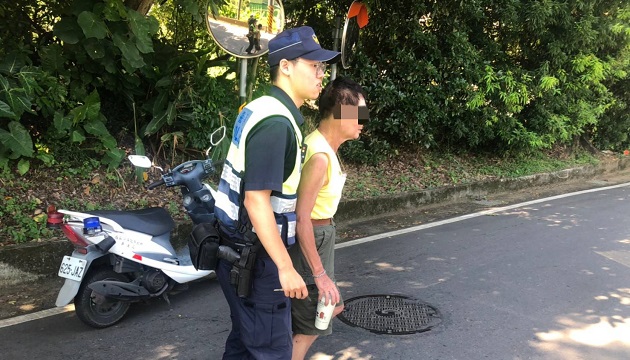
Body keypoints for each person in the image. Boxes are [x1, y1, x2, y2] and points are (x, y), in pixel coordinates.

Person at [213, 26, 340, 360]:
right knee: (271, 350)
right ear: (285, 66)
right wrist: (285, 267)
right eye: (313, 65)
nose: (320, 74)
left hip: (240, 251)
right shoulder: (276, 123)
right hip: (258, 260)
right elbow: (256, 200)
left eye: (322, 67)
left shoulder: (263, 107)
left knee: (244, 343)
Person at [289, 77, 369, 360]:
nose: (362, 121)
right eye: (358, 114)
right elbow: (302, 218)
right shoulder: (320, 156)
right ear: (340, 111)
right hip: (314, 236)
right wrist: (320, 275)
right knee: (312, 320)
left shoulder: (320, 146)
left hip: (323, 234)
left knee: (330, 307)